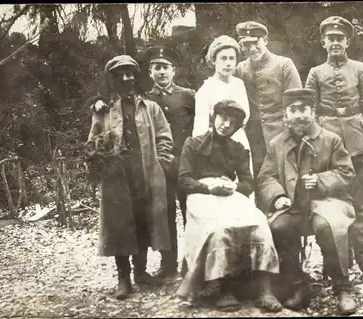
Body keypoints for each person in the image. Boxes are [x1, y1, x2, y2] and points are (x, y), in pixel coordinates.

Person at [258, 88, 357, 314]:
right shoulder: (276, 144)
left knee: (327, 226)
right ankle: (299, 285)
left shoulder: (331, 140)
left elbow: (346, 172)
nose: (298, 115)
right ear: (285, 115)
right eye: (293, 110)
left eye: (303, 109)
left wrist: (321, 180)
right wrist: (278, 196)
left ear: (313, 112)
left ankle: (343, 287)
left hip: (329, 202)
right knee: (279, 227)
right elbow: (266, 176)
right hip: (293, 206)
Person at [176, 99, 282, 313]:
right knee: (219, 227)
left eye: (232, 122)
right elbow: (184, 180)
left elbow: (248, 182)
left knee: (258, 221)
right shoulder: (193, 143)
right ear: (214, 117)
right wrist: (210, 189)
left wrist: (232, 187)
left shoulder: (238, 148)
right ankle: (225, 288)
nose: (226, 124)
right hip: (201, 193)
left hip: (228, 191)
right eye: (223, 118)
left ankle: (264, 289)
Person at [85, 55, 175, 299]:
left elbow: (165, 137)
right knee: (120, 226)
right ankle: (123, 278)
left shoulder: (150, 108)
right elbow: (92, 142)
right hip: (116, 177)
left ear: (136, 77)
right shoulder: (103, 110)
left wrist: (163, 163)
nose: (127, 78)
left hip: (145, 172)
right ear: (113, 79)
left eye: (130, 74)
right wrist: (99, 157)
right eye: (121, 75)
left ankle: (141, 272)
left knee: (143, 220)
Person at [304, 16, 363, 277]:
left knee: (361, 204)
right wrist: (310, 144)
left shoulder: (359, 68)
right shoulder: (315, 73)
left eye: (340, 38)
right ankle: (340, 261)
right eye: (331, 38)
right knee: (333, 203)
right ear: (323, 42)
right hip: (328, 144)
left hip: (359, 144)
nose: (336, 42)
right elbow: (308, 111)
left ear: (347, 42)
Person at [140, 45, 196, 279]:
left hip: (186, 164)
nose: (161, 72)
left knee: (190, 212)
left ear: (174, 70)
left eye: (165, 67)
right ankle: (168, 262)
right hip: (160, 165)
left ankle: (191, 261)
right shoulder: (145, 99)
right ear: (150, 72)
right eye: (156, 68)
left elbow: (199, 126)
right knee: (164, 213)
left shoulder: (187, 95)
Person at [234, 21, 302, 180]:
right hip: (253, 137)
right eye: (246, 44)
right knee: (257, 178)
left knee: (284, 178)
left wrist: (292, 134)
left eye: (256, 42)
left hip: (281, 133)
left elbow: (296, 102)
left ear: (265, 40)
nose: (252, 49)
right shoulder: (240, 69)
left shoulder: (284, 64)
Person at [192, 35, 253, 175]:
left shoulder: (239, 84)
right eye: (223, 58)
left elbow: (245, 115)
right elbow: (200, 128)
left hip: (239, 140)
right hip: (216, 145)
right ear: (214, 61)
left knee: (244, 182)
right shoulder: (205, 90)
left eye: (232, 58)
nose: (228, 63)